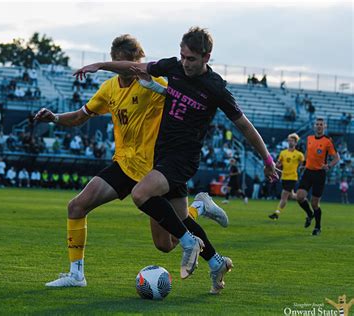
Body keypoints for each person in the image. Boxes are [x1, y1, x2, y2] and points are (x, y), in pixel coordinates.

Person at [74, 26, 279, 293]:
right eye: (182, 56)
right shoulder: (174, 68)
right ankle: (216, 260)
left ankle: (190, 242)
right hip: (160, 156)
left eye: (191, 59)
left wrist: (267, 159)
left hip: (182, 159)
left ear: (207, 57)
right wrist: (101, 65)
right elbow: (136, 68)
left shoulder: (215, 88)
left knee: (140, 194)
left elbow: (244, 125)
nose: (185, 63)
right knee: (167, 239)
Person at [36, 34, 228, 292]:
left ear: (138, 62)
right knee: (77, 206)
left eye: (127, 63)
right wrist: (55, 118)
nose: (123, 69)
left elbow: (186, 102)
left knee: (166, 243)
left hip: (156, 169)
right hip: (124, 165)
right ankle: (76, 274)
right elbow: (81, 116)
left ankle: (198, 209)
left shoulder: (154, 83)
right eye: (117, 63)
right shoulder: (109, 89)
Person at [296, 117, 340, 235]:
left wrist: (329, 166)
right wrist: (304, 164)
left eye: (321, 124)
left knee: (314, 203)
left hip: (319, 174)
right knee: (299, 196)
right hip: (308, 172)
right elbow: (307, 152)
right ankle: (310, 214)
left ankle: (318, 227)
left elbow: (336, 158)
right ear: (314, 126)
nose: (319, 126)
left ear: (324, 127)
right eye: (317, 124)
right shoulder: (309, 138)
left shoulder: (327, 141)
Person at [269, 133, 304, 220]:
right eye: (289, 140)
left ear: (296, 143)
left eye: (292, 141)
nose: (290, 142)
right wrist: (275, 165)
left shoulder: (299, 154)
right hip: (284, 177)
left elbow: (303, 164)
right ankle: (303, 199)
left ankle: (277, 213)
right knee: (292, 196)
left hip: (292, 178)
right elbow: (278, 164)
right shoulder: (283, 153)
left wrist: (301, 168)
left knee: (284, 196)